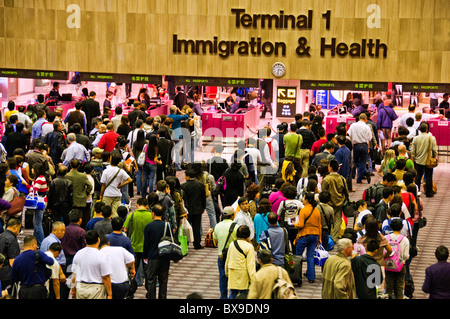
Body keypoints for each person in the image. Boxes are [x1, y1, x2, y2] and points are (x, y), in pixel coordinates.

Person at [71, 230, 112, 299]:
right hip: (96, 289)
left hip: (81, 287)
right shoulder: (101, 255)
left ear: (85, 241)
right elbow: (105, 277)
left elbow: (74, 274)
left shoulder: (78, 254)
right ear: (98, 240)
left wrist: (73, 290)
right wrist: (109, 294)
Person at [10, 235, 54, 299]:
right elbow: (51, 262)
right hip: (38, 290)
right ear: (34, 244)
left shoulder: (17, 259)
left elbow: (13, 278)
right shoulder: (38, 254)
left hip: (24, 290)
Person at [143, 204, 171, 299]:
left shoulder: (149, 226)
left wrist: (145, 255)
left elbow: (146, 243)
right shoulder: (167, 225)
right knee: (163, 280)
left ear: (153, 213)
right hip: (165, 256)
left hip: (153, 256)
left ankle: (152, 297)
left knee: (151, 279)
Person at [293, 191, 321, 283]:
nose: (302, 200)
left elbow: (300, 225)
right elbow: (319, 225)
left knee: (298, 256)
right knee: (310, 256)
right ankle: (311, 277)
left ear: (307, 200)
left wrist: (294, 224)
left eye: (304, 198)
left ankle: (297, 275)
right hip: (315, 235)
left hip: (304, 235)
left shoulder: (303, 210)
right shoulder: (316, 210)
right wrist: (319, 238)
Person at [99, 235, 135, 299]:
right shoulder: (120, 249)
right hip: (123, 284)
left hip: (110, 285)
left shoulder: (99, 253)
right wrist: (130, 268)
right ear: (108, 243)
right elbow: (131, 259)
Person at [224, 225, 256, 299]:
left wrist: (226, 272)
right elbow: (251, 265)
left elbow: (228, 259)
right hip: (243, 275)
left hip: (232, 273)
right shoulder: (249, 247)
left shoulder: (232, 244)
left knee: (232, 294)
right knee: (243, 295)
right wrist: (253, 279)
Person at [213, 206, 238, 299]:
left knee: (223, 277)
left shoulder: (217, 226)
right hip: (232, 255)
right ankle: (232, 296)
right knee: (233, 277)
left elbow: (215, 242)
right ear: (232, 215)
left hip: (221, 255)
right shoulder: (236, 226)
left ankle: (223, 297)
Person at [99, 151, 133, 217]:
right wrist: (121, 185)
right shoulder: (121, 171)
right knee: (115, 213)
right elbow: (130, 180)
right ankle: (115, 224)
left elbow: (103, 184)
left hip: (107, 194)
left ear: (110, 159)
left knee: (106, 212)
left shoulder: (106, 171)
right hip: (117, 194)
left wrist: (101, 194)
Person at [321, 159, 348, 241]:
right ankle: (334, 238)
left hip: (329, 203)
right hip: (339, 202)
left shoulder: (326, 179)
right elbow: (346, 191)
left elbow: (323, 191)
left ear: (331, 168)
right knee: (337, 221)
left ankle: (327, 238)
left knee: (327, 221)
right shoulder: (342, 179)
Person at [384, 218, 410, 299]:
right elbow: (406, 256)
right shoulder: (405, 240)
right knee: (399, 286)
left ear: (391, 227)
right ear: (401, 227)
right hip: (401, 265)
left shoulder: (386, 238)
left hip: (388, 264)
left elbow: (383, 252)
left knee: (388, 286)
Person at [181, 168, 206, 249]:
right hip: (198, 209)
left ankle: (186, 243)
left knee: (186, 226)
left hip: (187, 210)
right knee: (196, 227)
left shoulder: (183, 186)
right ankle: (197, 244)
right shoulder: (200, 185)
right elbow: (203, 198)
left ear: (188, 176)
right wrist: (203, 207)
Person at [411, 122, 437, 198]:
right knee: (428, 176)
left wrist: (415, 158)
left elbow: (413, 151)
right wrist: (434, 157)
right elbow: (434, 150)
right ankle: (429, 192)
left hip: (418, 160)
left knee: (418, 176)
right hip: (428, 160)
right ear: (426, 129)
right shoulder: (431, 138)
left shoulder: (415, 138)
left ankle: (417, 191)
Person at [65, 159, 93, 228]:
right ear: (79, 166)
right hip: (81, 200)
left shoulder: (67, 176)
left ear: (70, 165)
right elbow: (90, 186)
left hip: (70, 200)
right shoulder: (82, 176)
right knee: (80, 217)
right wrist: (85, 193)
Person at [347, 113, 372, 184]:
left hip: (356, 145)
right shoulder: (367, 127)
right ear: (365, 119)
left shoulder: (353, 125)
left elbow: (349, 134)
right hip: (364, 145)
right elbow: (369, 138)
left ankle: (360, 177)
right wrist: (368, 147)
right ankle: (364, 173)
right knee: (363, 162)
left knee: (356, 161)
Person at [0, 218, 21, 292]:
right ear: (15, 227)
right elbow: (13, 262)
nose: (19, 231)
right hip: (7, 276)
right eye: (19, 228)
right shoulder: (12, 239)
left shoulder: (1, 235)